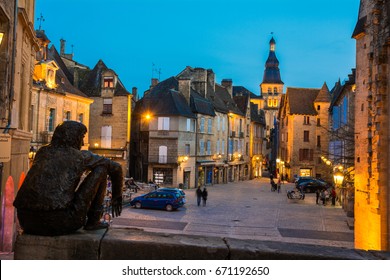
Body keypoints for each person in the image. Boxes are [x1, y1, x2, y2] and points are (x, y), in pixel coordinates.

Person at [13, 121, 123, 236]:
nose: (82, 143)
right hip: (59, 222)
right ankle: (93, 221)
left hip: (26, 221)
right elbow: (117, 167)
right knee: (102, 169)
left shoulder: (42, 152)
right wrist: (116, 196)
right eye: (81, 137)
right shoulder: (81, 156)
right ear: (74, 137)